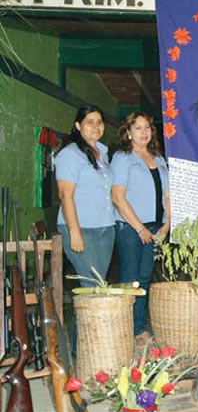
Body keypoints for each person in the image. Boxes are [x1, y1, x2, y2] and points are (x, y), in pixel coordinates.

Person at [110, 112, 171, 343]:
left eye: (147, 127)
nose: (144, 132)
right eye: (138, 128)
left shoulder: (158, 158)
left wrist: (167, 223)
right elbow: (118, 197)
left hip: (156, 226)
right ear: (128, 132)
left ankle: (138, 327)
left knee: (145, 278)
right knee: (130, 279)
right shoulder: (122, 157)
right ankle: (127, 330)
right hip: (130, 227)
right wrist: (139, 229)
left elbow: (167, 194)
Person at [55, 105, 116, 287]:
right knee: (91, 283)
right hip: (81, 228)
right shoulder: (70, 154)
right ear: (78, 125)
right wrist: (74, 232)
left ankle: (94, 317)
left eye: (99, 122)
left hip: (105, 228)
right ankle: (85, 317)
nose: (95, 126)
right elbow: (65, 195)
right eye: (89, 122)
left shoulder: (103, 153)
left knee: (99, 284)